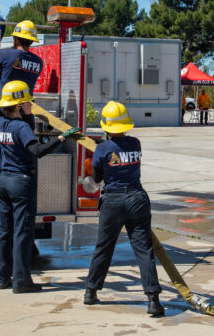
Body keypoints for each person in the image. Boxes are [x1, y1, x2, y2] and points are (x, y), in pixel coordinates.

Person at [0, 80, 77, 293]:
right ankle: (22, 282)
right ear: (18, 105)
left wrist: (0, 103)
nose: (31, 106)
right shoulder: (21, 128)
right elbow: (37, 151)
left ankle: (1, 279)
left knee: (3, 231)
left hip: (3, 182)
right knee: (22, 233)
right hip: (20, 182)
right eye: (27, 103)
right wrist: (62, 137)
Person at [83, 101, 164, 317]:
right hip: (137, 199)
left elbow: (98, 178)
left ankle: (91, 292)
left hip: (113, 201)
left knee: (104, 247)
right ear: (126, 124)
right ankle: (153, 301)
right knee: (143, 249)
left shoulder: (102, 148)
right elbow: (120, 149)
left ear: (106, 127)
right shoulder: (136, 143)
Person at [0, 20, 44, 215]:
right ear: (31, 41)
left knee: (1, 157)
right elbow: (19, 73)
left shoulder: (6, 54)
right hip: (25, 112)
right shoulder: (38, 62)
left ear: (14, 38)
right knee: (21, 156)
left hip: (5, 111)